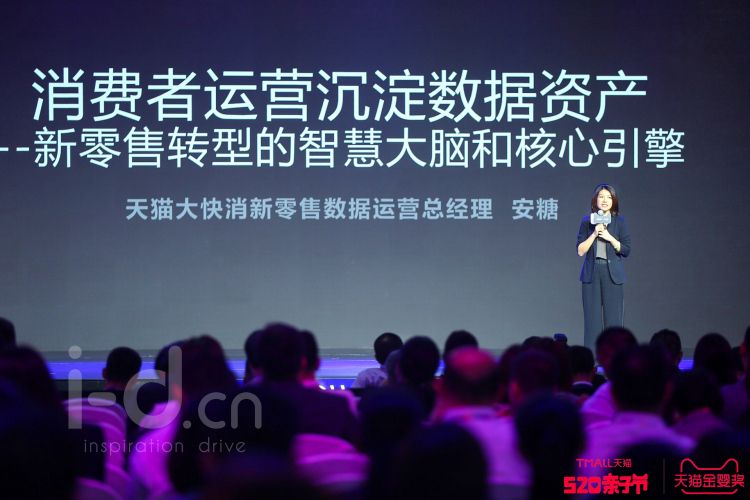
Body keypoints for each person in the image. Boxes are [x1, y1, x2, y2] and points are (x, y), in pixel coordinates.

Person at [576, 184, 631, 348]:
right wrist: (594, 233)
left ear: (613, 201)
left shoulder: (619, 221)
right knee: (591, 321)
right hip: (591, 274)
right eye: (601, 196)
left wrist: (609, 237)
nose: (605, 200)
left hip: (612, 274)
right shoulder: (587, 221)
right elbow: (580, 250)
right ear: (595, 200)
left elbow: (626, 250)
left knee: (614, 321)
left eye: (609, 197)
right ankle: (591, 357)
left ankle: (615, 356)